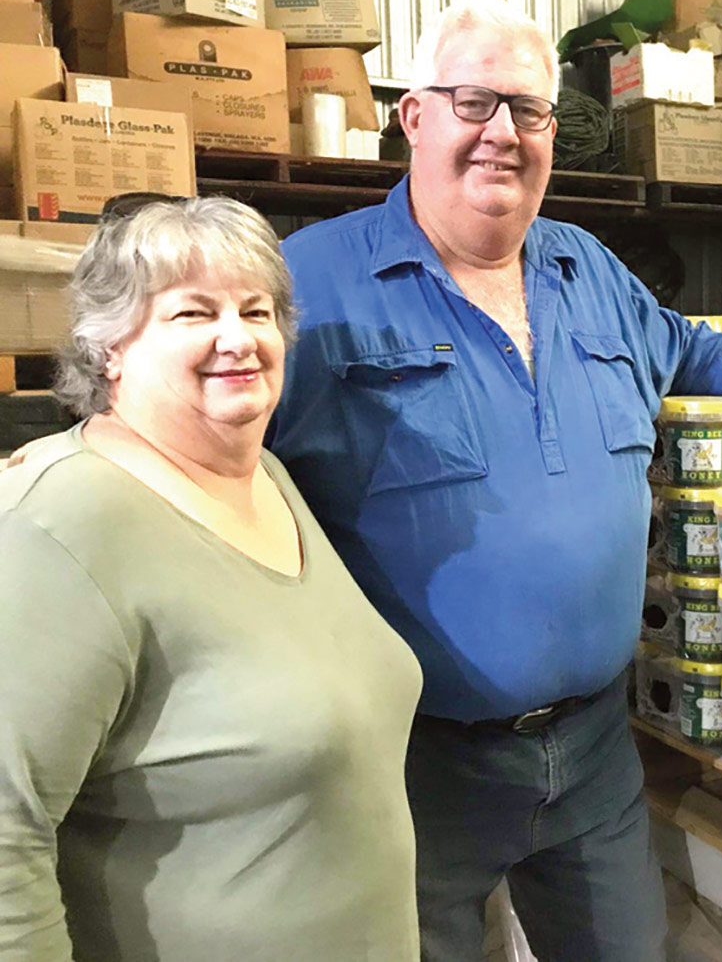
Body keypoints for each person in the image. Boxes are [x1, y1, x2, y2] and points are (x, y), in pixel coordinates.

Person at [266, 0, 722, 961]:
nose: (502, 136)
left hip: (596, 753)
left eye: (529, 112)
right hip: (417, 764)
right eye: (474, 103)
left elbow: (692, 351)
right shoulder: (310, 286)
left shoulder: (587, 269)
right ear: (415, 117)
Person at [0, 197, 422, 960]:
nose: (239, 338)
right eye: (194, 313)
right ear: (109, 348)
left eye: (256, 310)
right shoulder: (59, 522)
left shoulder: (265, 476)